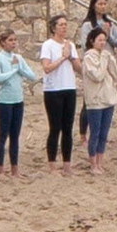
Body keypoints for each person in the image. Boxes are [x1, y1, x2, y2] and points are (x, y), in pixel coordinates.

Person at [0, 30, 38, 172]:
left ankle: (14, 168)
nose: (13, 43)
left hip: (18, 100)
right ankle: (0, 167)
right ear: (3, 42)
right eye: (10, 40)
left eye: (15, 40)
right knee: (3, 133)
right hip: (4, 101)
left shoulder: (18, 57)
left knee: (15, 135)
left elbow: (32, 75)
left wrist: (19, 68)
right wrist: (13, 70)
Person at [78, 24, 117, 169]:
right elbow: (97, 76)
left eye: (104, 40)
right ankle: (93, 163)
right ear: (92, 41)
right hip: (95, 100)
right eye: (99, 40)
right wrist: (103, 61)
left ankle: (100, 162)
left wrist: (111, 60)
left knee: (104, 132)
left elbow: (116, 75)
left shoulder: (106, 55)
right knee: (95, 132)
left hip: (108, 98)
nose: (102, 43)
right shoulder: (89, 57)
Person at [38, 15, 79, 165]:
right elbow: (47, 68)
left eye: (65, 24)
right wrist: (63, 57)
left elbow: (79, 68)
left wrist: (71, 57)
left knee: (68, 128)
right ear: (54, 28)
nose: (64, 27)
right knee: (55, 127)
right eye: (61, 25)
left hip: (69, 87)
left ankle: (67, 164)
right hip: (53, 90)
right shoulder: (48, 45)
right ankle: (52, 164)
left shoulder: (70, 45)